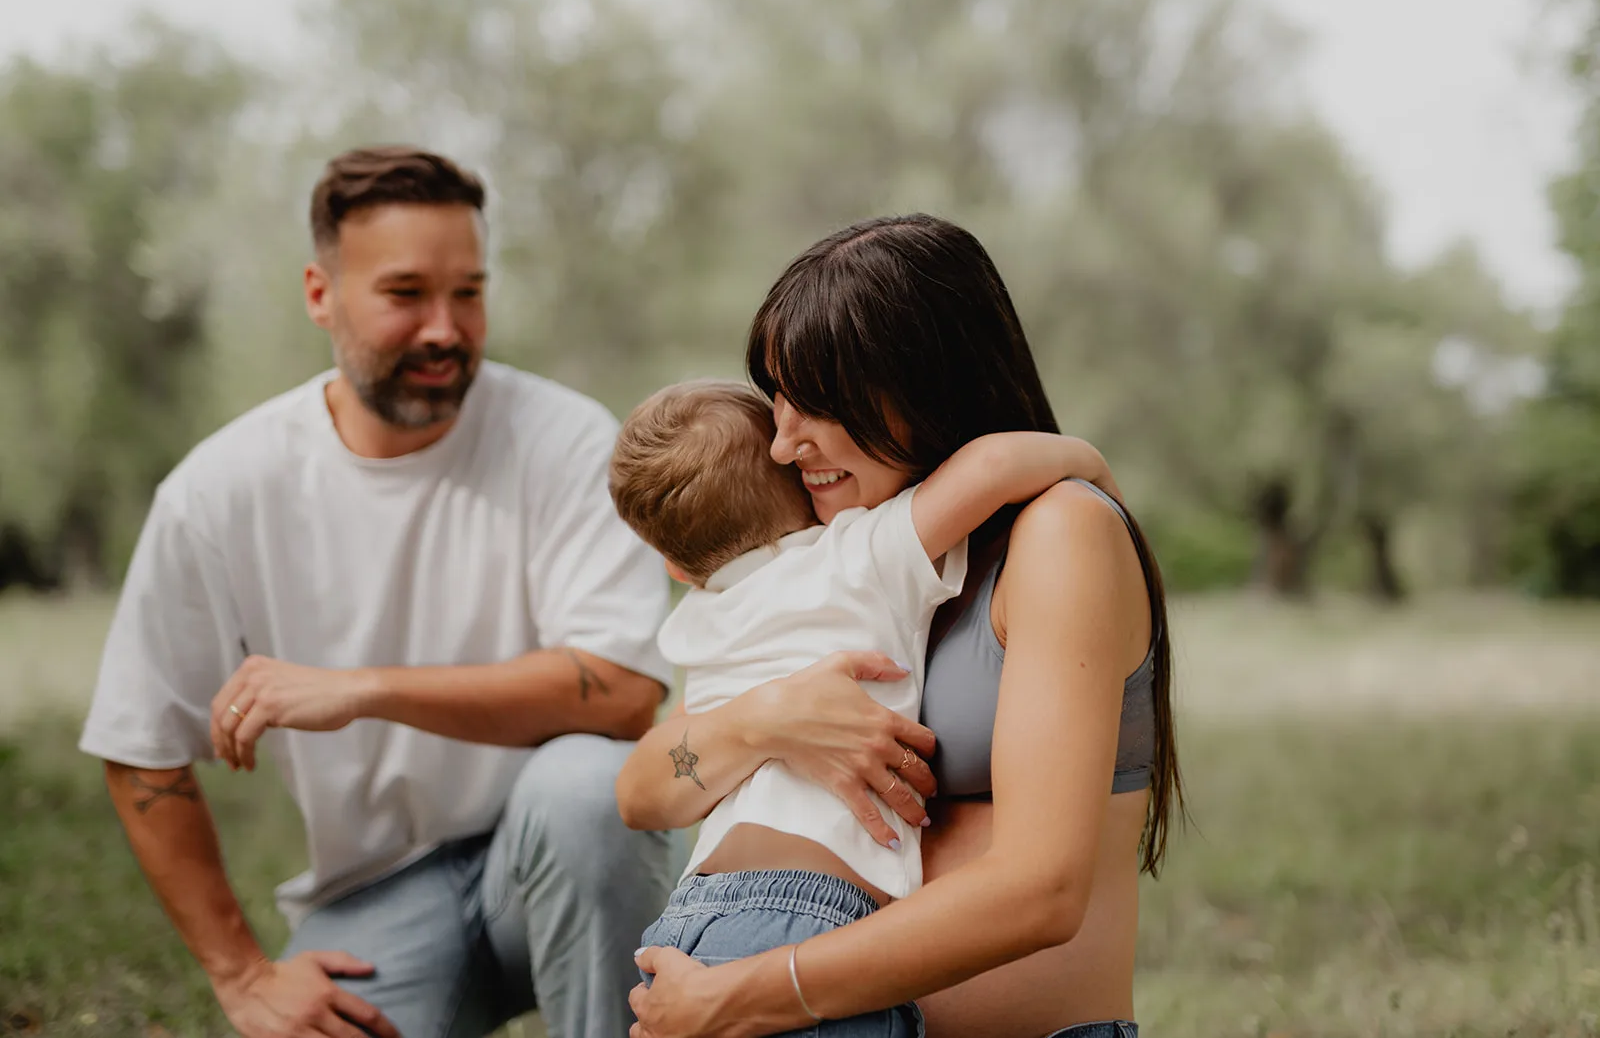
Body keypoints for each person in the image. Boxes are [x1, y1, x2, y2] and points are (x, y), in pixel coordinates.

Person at [77, 145, 677, 1038]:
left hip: (554, 845)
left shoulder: (565, 440)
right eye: (406, 294)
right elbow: (139, 742)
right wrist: (242, 975)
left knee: (589, 789)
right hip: (377, 892)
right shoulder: (220, 491)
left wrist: (361, 689)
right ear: (321, 293)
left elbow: (624, 695)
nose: (445, 326)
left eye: (468, 292)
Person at [617, 213, 1183, 1038]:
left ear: (924, 383)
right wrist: (770, 718)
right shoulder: (829, 569)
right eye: (777, 401)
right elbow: (645, 786)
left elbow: (1041, 889)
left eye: (817, 402)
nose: (782, 444)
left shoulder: (1060, 532)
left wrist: (745, 992)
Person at [608, 381, 1119, 1036]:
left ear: (675, 567)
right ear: (800, 487)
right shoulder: (857, 553)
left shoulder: (697, 622)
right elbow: (994, 466)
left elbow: (662, 775)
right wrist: (1093, 467)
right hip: (811, 917)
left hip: (688, 919)